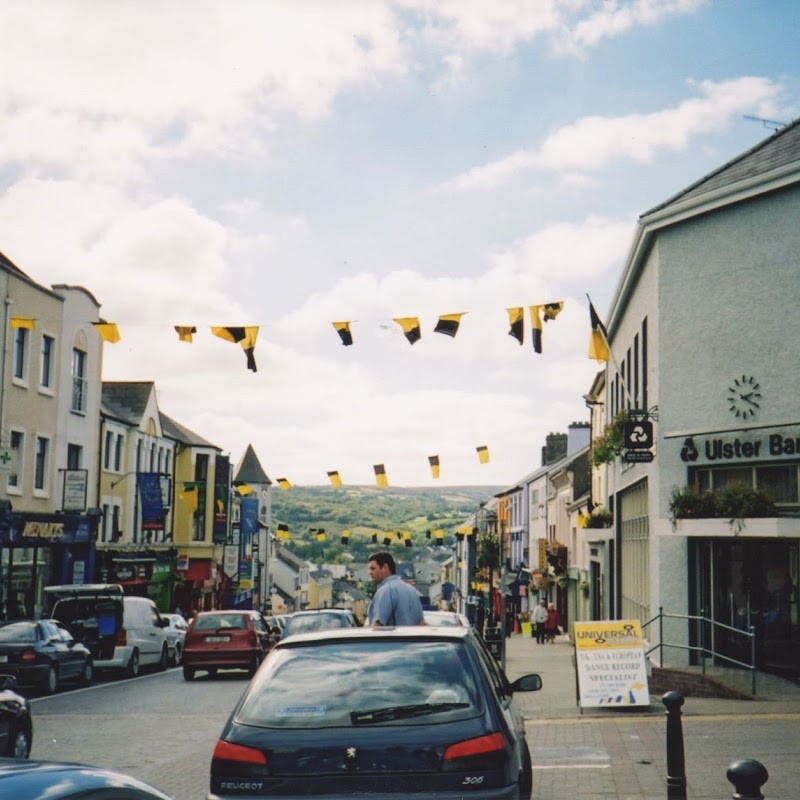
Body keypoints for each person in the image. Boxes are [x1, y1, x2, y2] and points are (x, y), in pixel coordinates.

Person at [367, 551, 425, 627]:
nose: (369, 572)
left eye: (373, 568)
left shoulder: (386, 591)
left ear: (385, 568)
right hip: (412, 638)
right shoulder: (412, 590)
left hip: (392, 638)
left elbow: (378, 626)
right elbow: (421, 623)